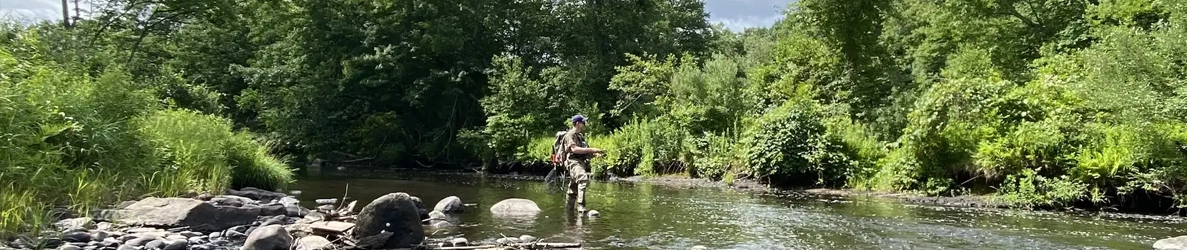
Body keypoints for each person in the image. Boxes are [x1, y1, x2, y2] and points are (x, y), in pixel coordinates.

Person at [562, 114, 603, 213]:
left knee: (573, 188)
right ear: (577, 123)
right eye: (583, 122)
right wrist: (592, 149)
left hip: (580, 163)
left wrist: (594, 154)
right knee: (583, 179)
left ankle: (569, 210)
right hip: (573, 162)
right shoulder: (570, 135)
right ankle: (581, 206)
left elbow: (584, 152)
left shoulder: (580, 136)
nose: (584, 124)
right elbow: (574, 149)